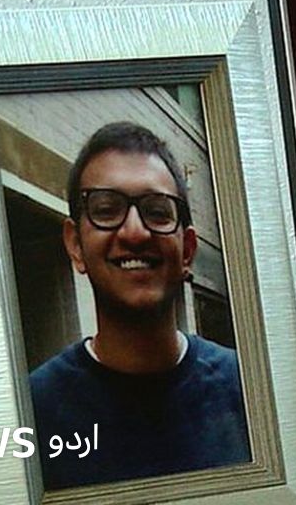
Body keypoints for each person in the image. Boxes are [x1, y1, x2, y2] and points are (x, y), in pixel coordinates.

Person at [29, 121, 250, 489]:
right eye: (106, 209)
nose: (134, 232)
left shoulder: (250, 393)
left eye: (158, 211)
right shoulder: (31, 413)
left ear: (188, 250)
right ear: (75, 246)